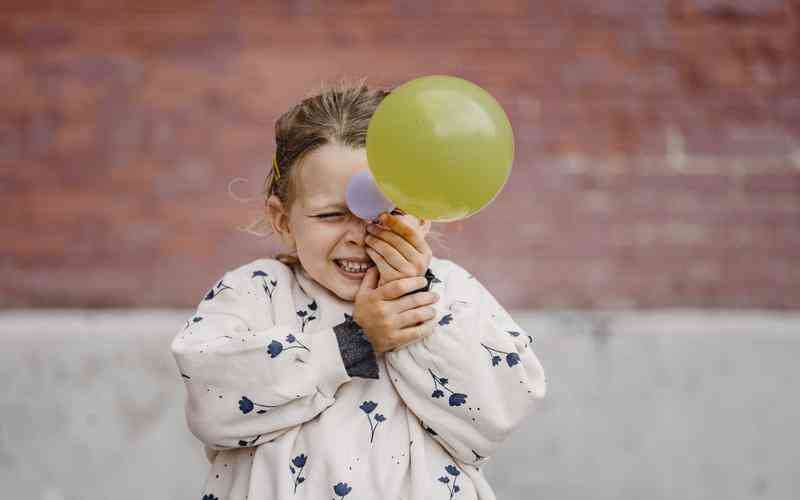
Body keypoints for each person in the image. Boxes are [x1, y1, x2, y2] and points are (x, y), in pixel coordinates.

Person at [170, 79, 547, 500]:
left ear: (423, 214)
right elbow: (212, 402)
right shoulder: (253, 292)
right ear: (282, 219)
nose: (359, 236)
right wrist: (355, 344)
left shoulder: (450, 294)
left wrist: (413, 302)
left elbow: (495, 414)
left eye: (387, 214)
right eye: (331, 215)